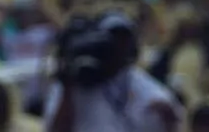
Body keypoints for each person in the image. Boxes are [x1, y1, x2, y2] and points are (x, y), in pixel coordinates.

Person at [44, 12, 183, 132]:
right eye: (113, 40)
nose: (119, 47)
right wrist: (68, 88)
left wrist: (168, 121)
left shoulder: (141, 83)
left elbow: (172, 119)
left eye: (124, 41)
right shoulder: (75, 77)